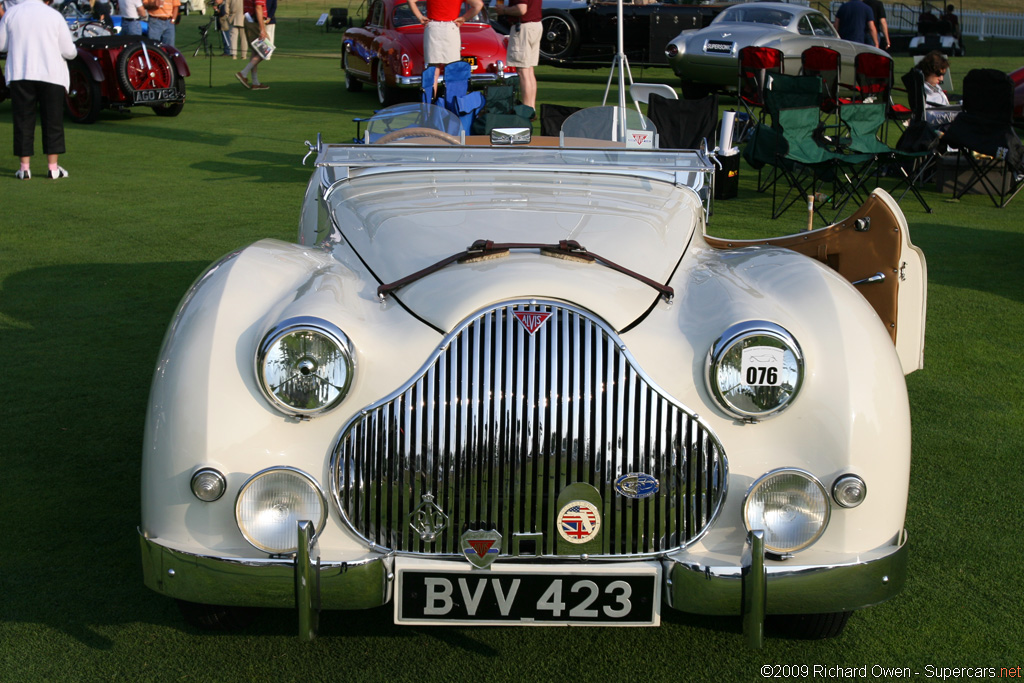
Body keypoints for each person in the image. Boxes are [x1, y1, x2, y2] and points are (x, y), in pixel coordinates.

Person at [0, 0, 77, 180]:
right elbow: (69, 51)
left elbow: (1, 44)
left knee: (23, 119)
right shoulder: (54, 15)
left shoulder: (12, 13)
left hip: (21, 71)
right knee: (53, 120)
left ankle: (24, 167)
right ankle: (53, 168)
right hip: (51, 73)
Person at [406, 0, 483, 100]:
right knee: (452, 69)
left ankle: (429, 104)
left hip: (433, 27)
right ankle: (452, 104)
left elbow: (411, 1)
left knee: (433, 69)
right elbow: (478, 5)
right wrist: (464, 18)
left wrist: (420, 17)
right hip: (451, 27)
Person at [494, 0, 541, 112]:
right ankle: (531, 108)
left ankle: (527, 109)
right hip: (535, 25)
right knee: (529, 70)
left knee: (523, 71)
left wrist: (504, 10)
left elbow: (521, 9)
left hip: (523, 28)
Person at [234, 0, 269, 90]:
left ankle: (255, 82)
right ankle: (243, 73)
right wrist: (262, 29)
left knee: (255, 51)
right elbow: (258, 7)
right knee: (266, 49)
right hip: (255, 21)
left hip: (249, 19)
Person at [919, 50, 958, 126]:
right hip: (937, 131)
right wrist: (954, 115)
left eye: (943, 74)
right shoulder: (923, 92)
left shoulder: (935, 87)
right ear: (928, 71)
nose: (941, 79)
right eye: (939, 74)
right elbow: (928, 118)